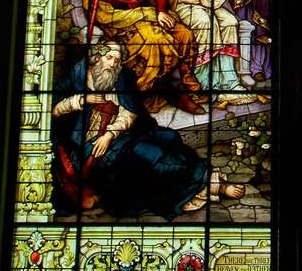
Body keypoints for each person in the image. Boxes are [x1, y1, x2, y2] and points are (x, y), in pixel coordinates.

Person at [52, 41, 244, 218]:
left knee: (164, 147)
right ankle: (204, 186)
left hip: (120, 136)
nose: (112, 64)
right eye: (109, 58)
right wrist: (80, 100)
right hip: (86, 149)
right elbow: (52, 109)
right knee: (152, 162)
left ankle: (209, 181)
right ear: (96, 57)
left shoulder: (119, 76)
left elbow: (130, 111)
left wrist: (109, 135)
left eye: (116, 60)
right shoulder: (77, 75)